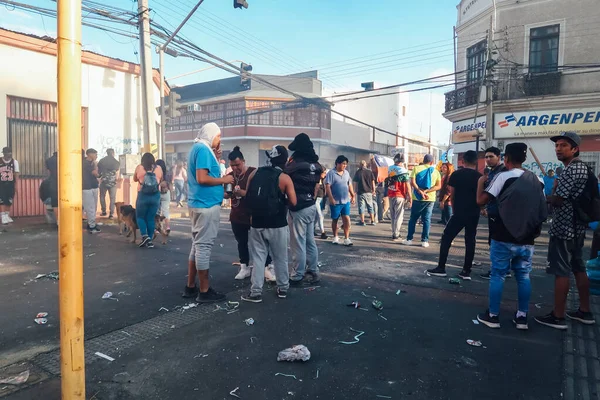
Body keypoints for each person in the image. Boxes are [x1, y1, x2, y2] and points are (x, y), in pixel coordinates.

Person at [475, 143, 546, 330]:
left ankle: (493, 315)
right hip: (527, 238)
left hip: (502, 235)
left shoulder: (502, 177)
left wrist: (481, 184)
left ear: (505, 159)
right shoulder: (538, 180)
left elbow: (481, 201)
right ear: (524, 159)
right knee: (523, 276)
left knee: (498, 275)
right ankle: (522, 317)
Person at [536, 132, 595, 329]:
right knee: (579, 268)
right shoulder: (583, 169)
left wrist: (547, 196)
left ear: (575, 149)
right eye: (557, 145)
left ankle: (558, 316)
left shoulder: (571, 170)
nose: (558, 149)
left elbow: (558, 200)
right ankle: (585, 311)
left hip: (565, 228)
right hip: (578, 228)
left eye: (563, 145)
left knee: (561, 271)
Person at [182, 123, 234, 303]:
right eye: (218, 136)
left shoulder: (199, 148)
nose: (220, 140)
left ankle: (190, 286)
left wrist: (216, 157)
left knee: (196, 246)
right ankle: (204, 290)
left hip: (199, 203)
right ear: (211, 135)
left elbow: (205, 173)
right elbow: (202, 178)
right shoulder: (203, 150)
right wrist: (225, 179)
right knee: (203, 247)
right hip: (206, 206)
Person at [242, 145, 297, 302]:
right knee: (280, 257)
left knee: (258, 258)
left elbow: (248, 196)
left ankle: (255, 292)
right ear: (285, 160)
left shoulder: (254, 173)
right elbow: (293, 202)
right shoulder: (285, 178)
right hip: (278, 224)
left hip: (257, 223)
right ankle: (283, 289)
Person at [426, 150, 482, 280]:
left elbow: (452, 193)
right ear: (476, 162)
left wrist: (455, 208)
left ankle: (441, 267)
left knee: (447, 238)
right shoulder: (479, 177)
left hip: (459, 211)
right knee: (470, 240)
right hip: (474, 212)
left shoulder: (456, 174)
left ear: (463, 161)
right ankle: (466, 271)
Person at [225, 146, 276, 281]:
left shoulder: (254, 173)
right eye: (232, 166)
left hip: (253, 214)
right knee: (241, 242)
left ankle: (267, 266)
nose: (235, 168)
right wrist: (227, 193)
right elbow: (225, 194)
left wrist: (243, 193)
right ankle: (244, 267)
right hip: (237, 214)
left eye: (237, 164)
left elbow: (260, 192)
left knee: (259, 242)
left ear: (243, 161)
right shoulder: (229, 177)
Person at [286, 133, 324, 285]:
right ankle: (313, 270)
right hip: (311, 205)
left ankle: (297, 275)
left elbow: (284, 172)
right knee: (309, 241)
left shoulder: (295, 166)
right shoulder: (316, 166)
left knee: (297, 242)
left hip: (298, 207)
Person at [479, 147, 509, 280]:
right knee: (496, 241)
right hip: (493, 211)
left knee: (497, 242)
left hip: (501, 213)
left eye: (491, 156)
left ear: (499, 157)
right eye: (486, 157)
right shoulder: (492, 172)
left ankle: (498, 270)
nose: (488, 159)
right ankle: (502, 268)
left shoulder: (502, 172)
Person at [401, 154, 441, 248]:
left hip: (417, 198)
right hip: (430, 198)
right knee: (426, 220)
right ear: (431, 162)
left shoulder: (417, 168)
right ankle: (425, 241)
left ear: (423, 161)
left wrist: (420, 191)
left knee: (413, 219)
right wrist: (426, 191)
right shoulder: (436, 172)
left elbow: (412, 182)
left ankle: (409, 239)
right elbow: (438, 186)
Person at [133, 153, 163, 248]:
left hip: (143, 195)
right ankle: (149, 240)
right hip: (155, 196)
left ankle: (144, 236)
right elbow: (161, 179)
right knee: (150, 218)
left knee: (140, 217)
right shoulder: (158, 168)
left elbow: (134, 179)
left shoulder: (139, 167)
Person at [325, 155, 356, 246]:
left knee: (346, 219)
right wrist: (331, 198)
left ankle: (346, 238)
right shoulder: (331, 173)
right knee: (335, 219)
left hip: (345, 201)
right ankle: (335, 237)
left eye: (346, 164)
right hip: (335, 201)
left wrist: (353, 195)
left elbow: (349, 185)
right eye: (343, 164)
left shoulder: (346, 173)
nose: (344, 166)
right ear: (337, 163)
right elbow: (328, 186)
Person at [387, 154, 411, 241]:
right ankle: (396, 235)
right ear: (401, 162)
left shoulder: (390, 169)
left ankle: (394, 232)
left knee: (393, 216)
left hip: (391, 194)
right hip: (400, 195)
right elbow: (407, 185)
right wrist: (410, 197)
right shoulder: (403, 171)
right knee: (399, 216)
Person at [97, 148, 120, 219]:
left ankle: (103, 211)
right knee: (112, 198)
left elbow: (99, 172)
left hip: (104, 182)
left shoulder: (101, 161)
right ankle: (111, 213)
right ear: (113, 153)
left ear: (107, 153)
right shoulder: (116, 162)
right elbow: (117, 172)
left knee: (102, 196)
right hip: (113, 183)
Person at [82, 148, 101, 233]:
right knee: (90, 207)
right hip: (86, 187)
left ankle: (92, 223)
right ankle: (91, 226)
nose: (96, 156)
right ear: (90, 154)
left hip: (94, 186)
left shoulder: (91, 163)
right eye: (95, 154)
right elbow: (96, 174)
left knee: (94, 207)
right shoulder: (85, 163)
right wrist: (96, 165)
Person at [353, 160, 376, 226]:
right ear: (365, 164)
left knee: (361, 207)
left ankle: (362, 221)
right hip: (369, 192)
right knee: (370, 206)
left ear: (360, 165)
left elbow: (355, 182)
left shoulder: (358, 172)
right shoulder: (370, 172)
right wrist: (373, 190)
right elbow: (373, 182)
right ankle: (372, 221)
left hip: (360, 192)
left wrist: (354, 191)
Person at [0, 147, 19, 225]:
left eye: (9, 153)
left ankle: (7, 215)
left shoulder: (14, 162)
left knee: (9, 200)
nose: (8, 154)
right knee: (2, 199)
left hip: (11, 183)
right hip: (1, 184)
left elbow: (16, 173)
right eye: (6, 153)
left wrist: (16, 184)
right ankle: (3, 216)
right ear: (4, 153)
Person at [156, 159, 171, 234]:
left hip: (158, 193)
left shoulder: (157, 173)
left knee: (157, 211)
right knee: (166, 211)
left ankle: (157, 228)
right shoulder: (167, 173)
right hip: (166, 193)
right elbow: (170, 183)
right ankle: (167, 226)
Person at [314, 169, 328, 239]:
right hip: (316, 200)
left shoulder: (324, 180)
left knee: (317, 217)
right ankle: (322, 232)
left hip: (322, 200)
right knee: (320, 216)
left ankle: (313, 230)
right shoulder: (315, 180)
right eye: (324, 173)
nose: (325, 174)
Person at [45, 152, 58, 224]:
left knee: (55, 203)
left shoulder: (49, 160)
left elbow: (48, 171)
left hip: (53, 182)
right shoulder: (64, 159)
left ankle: (58, 220)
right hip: (64, 182)